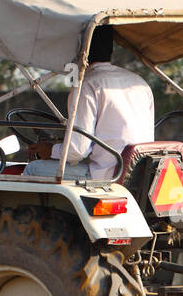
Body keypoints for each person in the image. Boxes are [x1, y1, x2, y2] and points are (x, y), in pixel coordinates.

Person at [23, 25, 155, 180]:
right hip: (140, 174)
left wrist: (50, 150)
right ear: (111, 50)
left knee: (33, 168)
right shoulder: (139, 82)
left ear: (78, 52)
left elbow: (77, 151)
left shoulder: (87, 85)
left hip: (107, 175)